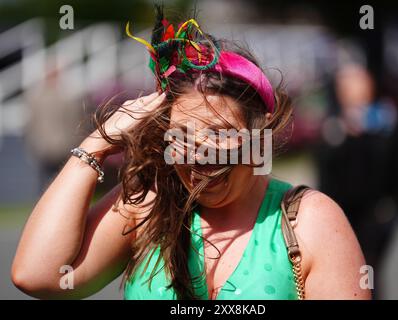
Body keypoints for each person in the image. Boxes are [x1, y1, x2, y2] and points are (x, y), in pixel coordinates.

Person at [11, 7, 371, 300]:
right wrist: (97, 145)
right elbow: (36, 275)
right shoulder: (147, 207)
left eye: (218, 135)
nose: (198, 155)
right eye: (181, 136)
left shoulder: (308, 221)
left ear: (259, 140)